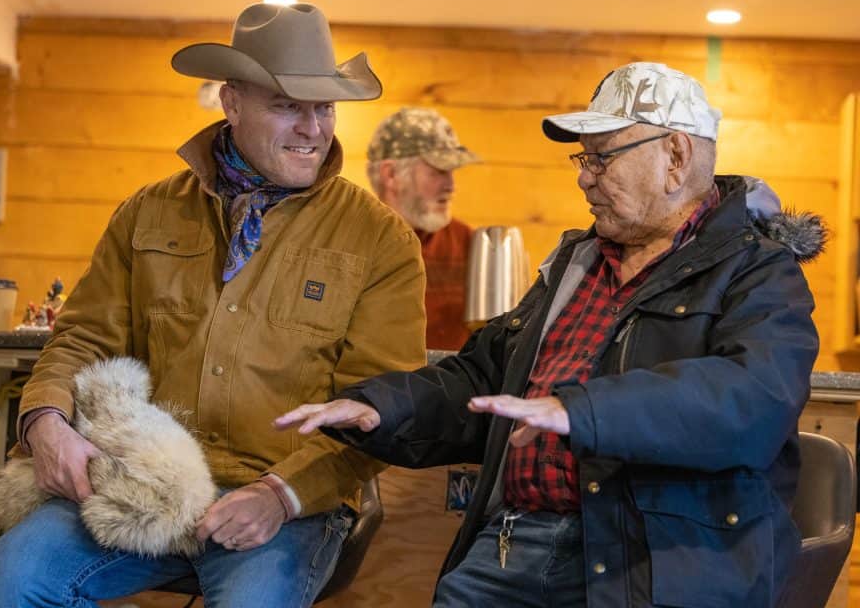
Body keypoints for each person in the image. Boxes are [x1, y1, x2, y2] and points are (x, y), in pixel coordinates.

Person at [276, 62, 826, 606]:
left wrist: (581, 412)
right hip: (515, 547)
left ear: (676, 157)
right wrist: (382, 408)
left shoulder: (759, 270)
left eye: (602, 158)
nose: (584, 177)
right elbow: (485, 376)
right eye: (583, 159)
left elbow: (751, 400)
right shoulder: (576, 263)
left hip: (660, 563)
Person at [0, 1, 426, 608]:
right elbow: (81, 340)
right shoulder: (148, 212)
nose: (313, 129)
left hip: (287, 505)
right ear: (231, 102)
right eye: (288, 106)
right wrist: (45, 423)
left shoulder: (380, 239)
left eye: (324, 108)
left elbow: (377, 407)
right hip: (141, 484)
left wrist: (279, 496)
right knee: (8, 580)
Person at [367, 107, 480, 350]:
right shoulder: (354, 242)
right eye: (439, 172)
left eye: (451, 172)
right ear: (391, 175)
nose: (451, 186)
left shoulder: (467, 242)